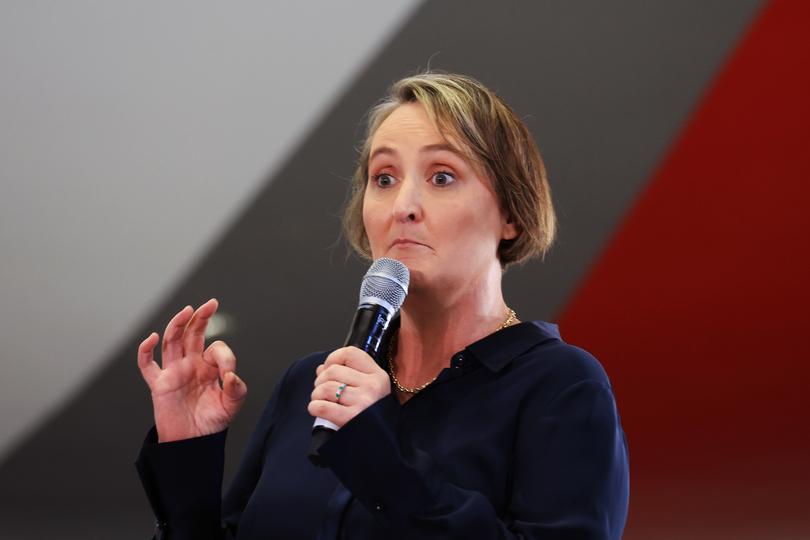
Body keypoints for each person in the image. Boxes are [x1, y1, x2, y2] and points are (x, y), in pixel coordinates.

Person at [135, 72, 629, 539]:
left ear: (512, 215)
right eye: (384, 177)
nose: (402, 207)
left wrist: (377, 450)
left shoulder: (560, 386)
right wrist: (189, 453)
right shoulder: (310, 383)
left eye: (442, 177)